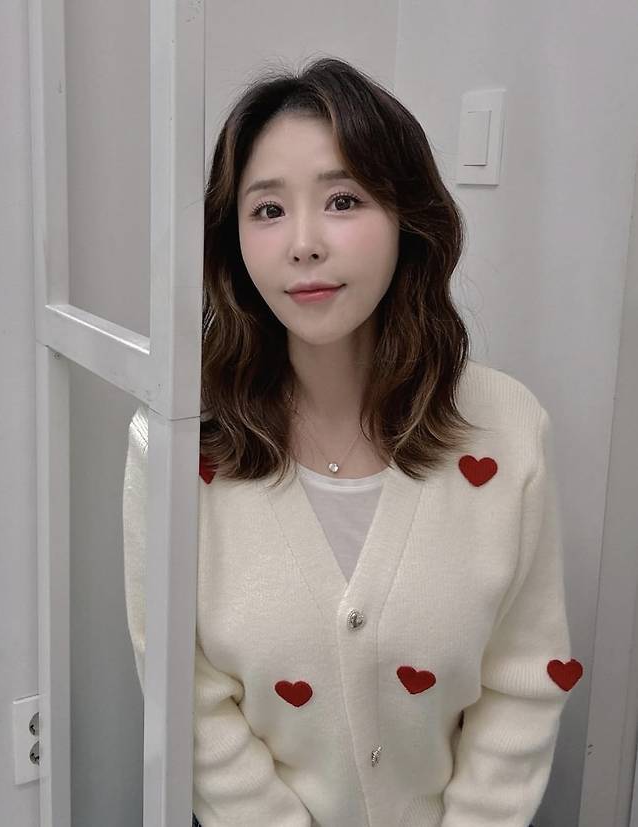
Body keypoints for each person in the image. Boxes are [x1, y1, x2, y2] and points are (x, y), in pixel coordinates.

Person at [122, 56, 584, 827]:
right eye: (268, 209)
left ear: (407, 217)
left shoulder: (507, 429)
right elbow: (186, 692)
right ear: (233, 238)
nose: (303, 244)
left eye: (343, 200)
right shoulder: (174, 439)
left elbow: (525, 679)